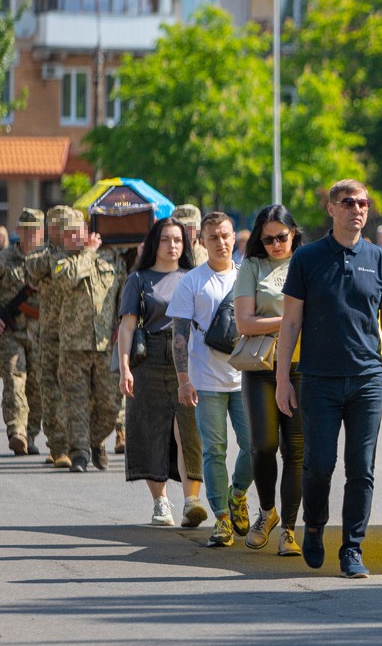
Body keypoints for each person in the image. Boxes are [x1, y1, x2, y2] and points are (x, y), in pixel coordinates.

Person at [275, 179, 382, 578]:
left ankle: (352, 548)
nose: (358, 209)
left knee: (361, 467)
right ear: (331, 209)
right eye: (349, 202)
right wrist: (283, 379)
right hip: (318, 380)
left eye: (364, 203)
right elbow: (290, 324)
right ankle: (315, 525)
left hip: (367, 379)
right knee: (318, 464)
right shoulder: (307, 258)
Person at [169, 211, 252, 547]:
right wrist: (184, 380)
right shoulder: (191, 281)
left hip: (246, 379)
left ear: (235, 238)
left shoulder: (248, 277)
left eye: (226, 235)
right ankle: (221, 519)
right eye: (213, 237)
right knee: (214, 450)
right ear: (202, 242)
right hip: (206, 380)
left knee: (256, 446)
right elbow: (178, 335)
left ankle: (238, 494)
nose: (221, 242)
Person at [117, 217, 207, 528]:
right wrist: (125, 368)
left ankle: (191, 501)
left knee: (189, 430)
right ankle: (160, 503)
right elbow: (127, 326)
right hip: (150, 357)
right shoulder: (139, 279)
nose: (172, 246)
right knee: (150, 430)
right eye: (166, 239)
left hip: (188, 358)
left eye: (178, 240)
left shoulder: (194, 277)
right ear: (155, 242)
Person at [25, 209, 126, 472]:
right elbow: (66, 278)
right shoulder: (60, 260)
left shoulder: (109, 258)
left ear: (86, 231)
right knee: (75, 402)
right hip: (71, 345)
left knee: (110, 403)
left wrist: (122, 322)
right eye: (67, 233)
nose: (73, 237)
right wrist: (88, 252)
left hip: (105, 344)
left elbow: (123, 291)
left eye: (77, 231)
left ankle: (94, 441)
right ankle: (78, 453)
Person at [233, 205, 305, 556]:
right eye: (268, 239)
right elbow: (244, 324)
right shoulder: (252, 266)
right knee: (262, 446)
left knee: (296, 451)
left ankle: (289, 529)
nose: (276, 244)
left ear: (294, 232)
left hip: (302, 367)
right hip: (260, 367)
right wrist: (289, 321)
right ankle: (267, 512)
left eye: (282, 237)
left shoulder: (307, 262)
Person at [0, 209, 44, 453]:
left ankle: (31, 434)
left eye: (36, 231)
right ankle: (17, 430)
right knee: (15, 379)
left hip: (40, 333)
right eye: (27, 230)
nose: (31, 235)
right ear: (19, 231)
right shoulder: (3, 260)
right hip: (9, 333)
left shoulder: (46, 261)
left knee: (36, 385)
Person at [32, 207, 73, 467]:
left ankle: (79, 442)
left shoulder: (83, 255)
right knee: (49, 390)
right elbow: (32, 268)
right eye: (57, 227)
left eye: (66, 227)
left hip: (78, 337)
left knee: (77, 392)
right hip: (49, 335)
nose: (61, 232)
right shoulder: (42, 255)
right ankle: (58, 446)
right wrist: (57, 253)